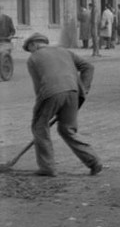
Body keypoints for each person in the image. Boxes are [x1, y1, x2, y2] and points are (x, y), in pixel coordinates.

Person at [23, 33, 103, 177]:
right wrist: (83, 89)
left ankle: (47, 167)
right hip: (73, 92)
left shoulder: (33, 59)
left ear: (34, 44)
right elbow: (88, 67)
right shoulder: (65, 51)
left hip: (50, 93)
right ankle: (94, 161)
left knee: (39, 126)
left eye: (30, 48)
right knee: (67, 130)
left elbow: (38, 86)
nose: (31, 51)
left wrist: (43, 109)